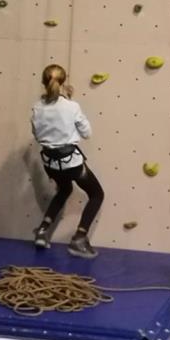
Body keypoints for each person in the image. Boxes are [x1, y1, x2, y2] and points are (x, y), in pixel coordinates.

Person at [31, 64, 104, 259]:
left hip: (50, 164)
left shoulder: (37, 107)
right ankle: (79, 238)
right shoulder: (72, 107)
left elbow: (37, 135)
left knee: (64, 190)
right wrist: (70, 101)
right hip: (71, 163)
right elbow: (87, 133)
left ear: (43, 83)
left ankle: (43, 230)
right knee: (97, 194)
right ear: (63, 83)